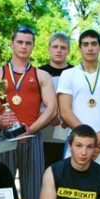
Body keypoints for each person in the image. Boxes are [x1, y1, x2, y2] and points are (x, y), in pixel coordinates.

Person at [0, 25, 57, 199]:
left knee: (33, 189)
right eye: (20, 42)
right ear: (11, 44)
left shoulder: (41, 75)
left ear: (33, 46)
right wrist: (0, 119)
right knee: (1, 188)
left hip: (32, 137)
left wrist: (30, 129)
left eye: (28, 43)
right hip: (4, 138)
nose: (24, 46)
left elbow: (51, 108)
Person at [58, 29, 100, 176]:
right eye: (85, 44)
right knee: (72, 189)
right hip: (76, 140)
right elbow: (65, 111)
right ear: (79, 48)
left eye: (94, 44)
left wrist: (99, 142)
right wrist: (90, 138)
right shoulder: (68, 74)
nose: (90, 48)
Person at [39, 32, 74, 169]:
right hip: (44, 130)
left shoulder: (75, 73)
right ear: (49, 49)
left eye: (63, 47)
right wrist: (48, 116)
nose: (59, 50)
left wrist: (66, 117)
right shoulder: (39, 73)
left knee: (66, 170)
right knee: (45, 171)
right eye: (55, 47)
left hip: (69, 129)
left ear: (68, 51)